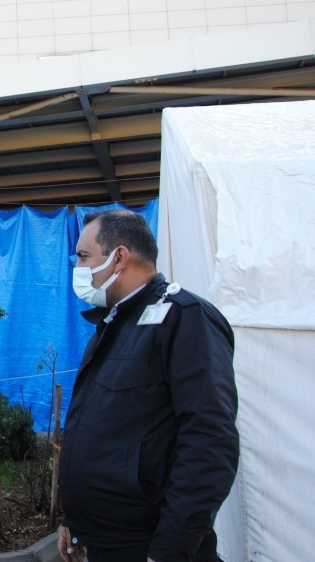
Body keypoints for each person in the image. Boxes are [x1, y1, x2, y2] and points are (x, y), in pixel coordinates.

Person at [58, 210, 239, 562]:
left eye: (83, 256)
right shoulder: (112, 326)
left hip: (148, 546)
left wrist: (169, 551)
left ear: (119, 257)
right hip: (100, 542)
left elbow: (210, 443)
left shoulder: (185, 318)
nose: (76, 267)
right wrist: (75, 521)